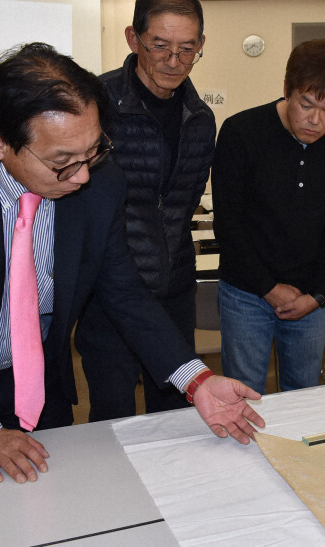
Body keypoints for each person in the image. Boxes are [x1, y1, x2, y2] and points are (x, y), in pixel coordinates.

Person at [0, 42, 264, 484]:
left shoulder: (101, 184)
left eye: (93, 151)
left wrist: (197, 380)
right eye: (62, 163)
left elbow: (124, 290)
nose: (82, 176)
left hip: (38, 389)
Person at [74, 0, 214, 421]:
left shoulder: (200, 117)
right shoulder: (97, 107)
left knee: (174, 410)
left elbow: (186, 200)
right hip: (109, 293)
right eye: (160, 46)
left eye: (187, 49)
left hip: (173, 286)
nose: (175, 62)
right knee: (113, 411)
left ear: (201, 44)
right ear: (134, 40)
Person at [211, 39, 325, 394]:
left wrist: (317, 292)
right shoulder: (241, 131)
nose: (315, 120)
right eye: (306, 104)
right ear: (287, 90)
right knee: (244, 394)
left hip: (310, 295)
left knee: (304, 396)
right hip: (246, 292)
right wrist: (268, 288)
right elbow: (228, 224)